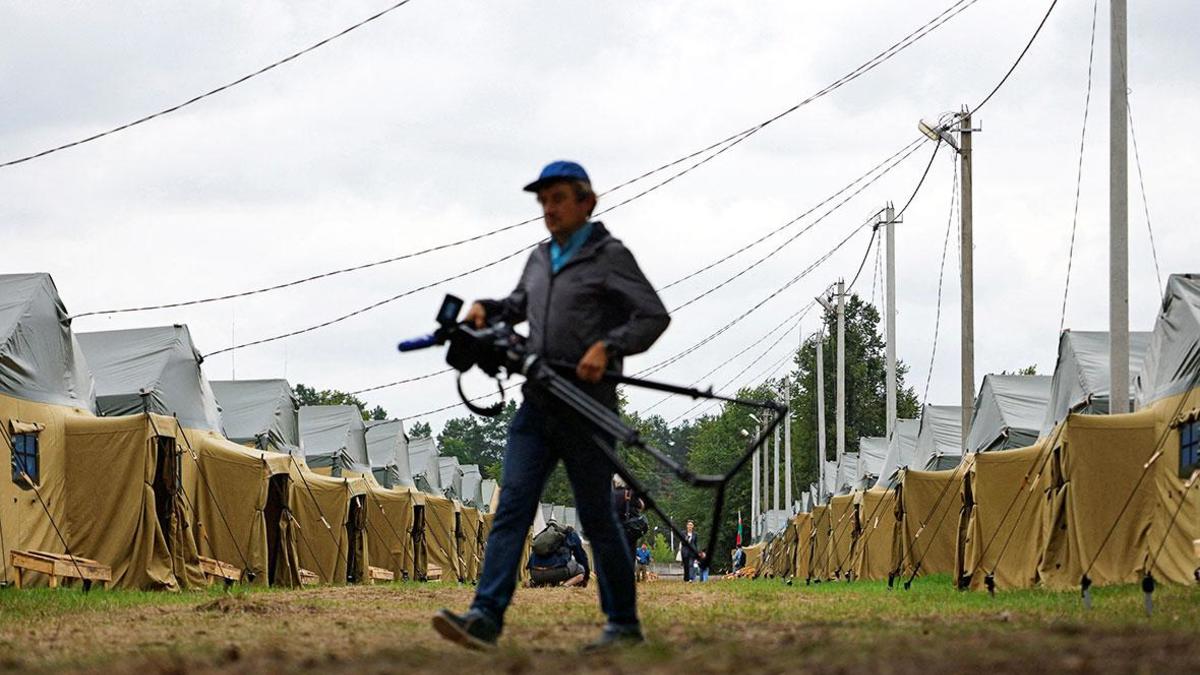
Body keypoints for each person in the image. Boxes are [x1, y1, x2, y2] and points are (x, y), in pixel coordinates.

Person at [433, 161, 670, 652]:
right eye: (543, 201)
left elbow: (652, 315)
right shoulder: (540, 258)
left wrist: (608, 346)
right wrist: (488, 308)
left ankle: (623, 624)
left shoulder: (610, 256)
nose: (549, 209)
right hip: (537, 403)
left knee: (598, 517)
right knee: (512, 505)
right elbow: (518, 303)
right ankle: (485, 617)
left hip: (588, 405)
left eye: (558, 198)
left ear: (587, 201)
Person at [528, 520, 590, 587]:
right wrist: (586, 577)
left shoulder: (543, 534)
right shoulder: (571, 533)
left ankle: (538, 583)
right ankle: (565, 585)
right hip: (558, 572)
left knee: (554, 562)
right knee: (581, 570)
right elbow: (581, 558)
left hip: (535, 574)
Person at [612, 475, 647, 554]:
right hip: (629, 530)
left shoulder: (611, 494)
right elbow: (641, 506)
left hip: (615, 530)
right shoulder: (629, 494)